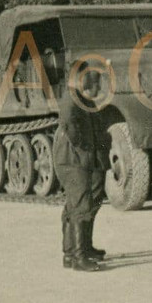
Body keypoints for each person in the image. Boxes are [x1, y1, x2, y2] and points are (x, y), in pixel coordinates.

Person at [52, 70, 109, 271]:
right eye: (97, 86)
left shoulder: (84, 101)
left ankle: (79, 250)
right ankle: (78, 257)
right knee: (80, 204)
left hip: (82, 160)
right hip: (72, 160)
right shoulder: (71, 100)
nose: (99, 90)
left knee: (83, 202)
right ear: (87, 86)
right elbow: (69, 124)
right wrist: (81, 145)